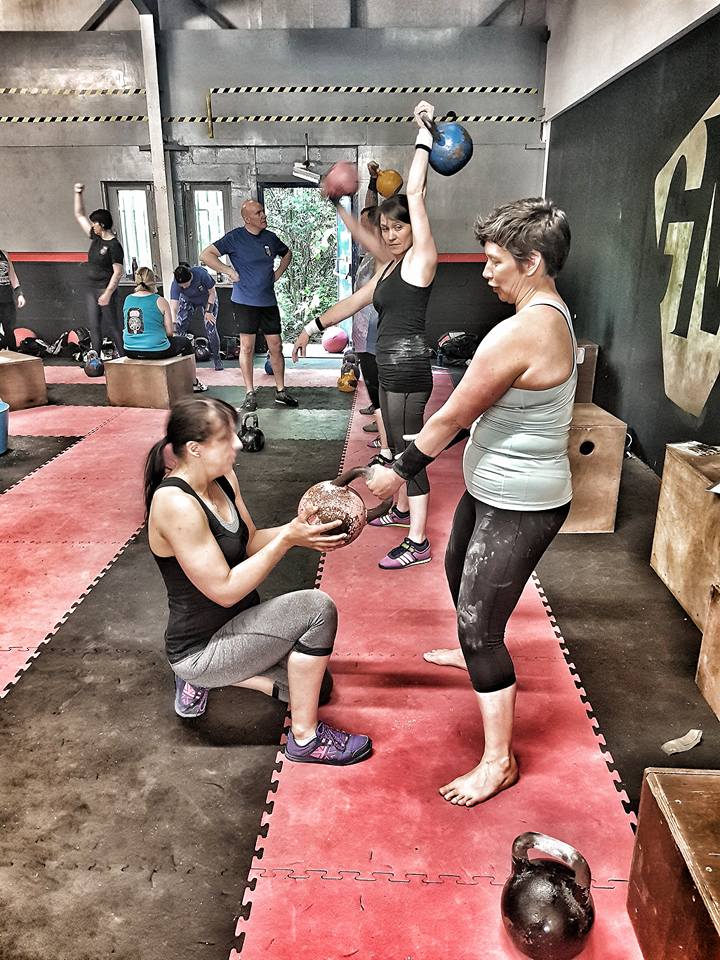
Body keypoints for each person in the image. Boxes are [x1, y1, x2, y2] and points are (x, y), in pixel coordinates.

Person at [367, 197, 575, 806]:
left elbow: (452, 415)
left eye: (495, 261)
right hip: (490, 489)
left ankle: (498, 761)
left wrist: (397, 473)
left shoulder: (525, 329)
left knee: (481, 629)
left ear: (531, 262)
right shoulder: (542, 314)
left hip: (521, 501)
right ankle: (472, 655)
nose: (485, 272)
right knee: (458, 577)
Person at [145, 396, 372, 765]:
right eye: (225, 438)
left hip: (239, 624)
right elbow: (224, 590)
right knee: (318, 609)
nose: (238, 444)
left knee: (320, 688)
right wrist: (287, 541)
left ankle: (219, 678)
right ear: (195, 449)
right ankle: (305, 739)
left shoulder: (223, 478)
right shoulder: (175, 504)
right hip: (201, 647)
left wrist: (300, 530)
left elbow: (249, 541)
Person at [293, 101, 439, 571]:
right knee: (393, 450)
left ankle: (418, 542)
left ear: (415, 228)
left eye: (400, 228)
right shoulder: (390, 269)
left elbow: (414, 190)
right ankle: (400, 510)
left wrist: (423, 135)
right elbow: (354, 301)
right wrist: (311, 327)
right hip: (390, 368)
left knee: (410, 456)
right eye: (388, 229)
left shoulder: (421, 260)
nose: (391, 235)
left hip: (410, 368)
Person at [200, 200, 297, 410]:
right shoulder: (235, 238)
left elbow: (287, 253)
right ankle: (250, 393)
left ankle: (280, 391)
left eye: (263, 211)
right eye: (258, 212)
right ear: (247, 218)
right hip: (244, 302)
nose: (263, 215)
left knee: (276, 346)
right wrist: (228, 270)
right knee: (247, 347)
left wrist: (277, 274)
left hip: (268, 301)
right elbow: (205, 255)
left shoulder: (270, 238)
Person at [123, 267, 206, 392]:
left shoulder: (128, 299)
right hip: (156, 350)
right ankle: (194, 382)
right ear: (153, 282)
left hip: (130, 350)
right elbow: (169, 333)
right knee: (185, 343)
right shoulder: (160, 301)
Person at [72, 183, 125, 357]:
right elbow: (79, 214)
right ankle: (95, 359)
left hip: (105, 289)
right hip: (91, 289)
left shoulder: (114, 246)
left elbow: (118, 272)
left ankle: (124, 358)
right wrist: (78, 193)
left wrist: (107, 293)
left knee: (113, 326)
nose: (93, 226)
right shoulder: (96, 237)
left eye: (95, 223)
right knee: (94, 326)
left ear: (101, 225)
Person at [170, 262, 223, 371]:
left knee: (210, 327)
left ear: (191, 276)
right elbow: (174, 305)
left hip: (207, 298)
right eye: (181, 286)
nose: (184, 287)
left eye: (186, 284)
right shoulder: (176, 283)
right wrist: (174, 322)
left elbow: (212, 292)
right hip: (188, 300)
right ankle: (183, 359)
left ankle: (217, 359)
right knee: (180, 326)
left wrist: (208, 311)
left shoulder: (201, 274)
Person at [0, 249, 26, 350]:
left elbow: (12, 275)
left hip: (6, 299)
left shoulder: (4, 254)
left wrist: (19, 294)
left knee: (9, 329)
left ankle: (12, 354)